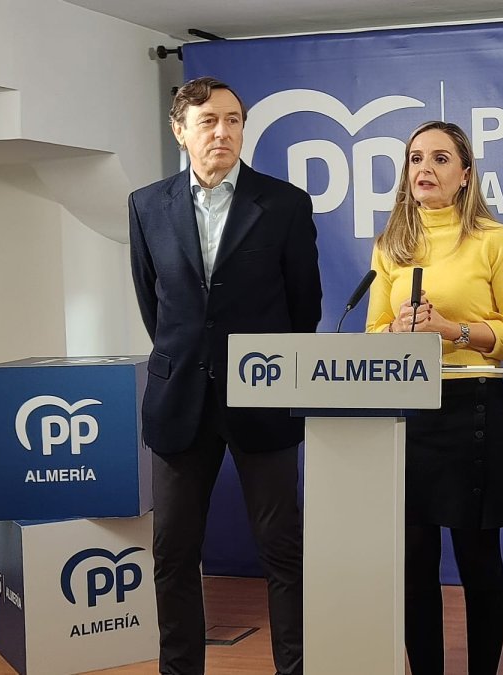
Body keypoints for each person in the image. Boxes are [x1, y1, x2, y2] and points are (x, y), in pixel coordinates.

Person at [129, 76, 322, 675]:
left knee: (283, 551)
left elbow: (304, 305)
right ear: (180, 129)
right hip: (179, 397)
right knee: (173, 554)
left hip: (263, 396)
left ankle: (294, 668)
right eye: (210, 120)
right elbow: (151, 301)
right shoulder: (146, 204)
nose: (224, 131)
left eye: (234, 120)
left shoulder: (284, 203)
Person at [366, 121, 503, 675]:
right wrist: (397, 335)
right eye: (416, 159)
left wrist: (451, 330)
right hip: (409, 415)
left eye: (440, 159)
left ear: (465, 175)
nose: (425, 170)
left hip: (473, 412)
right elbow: (372, 334)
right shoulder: (390, 245)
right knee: (415, 565)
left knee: (478, 561)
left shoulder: (493, 238)